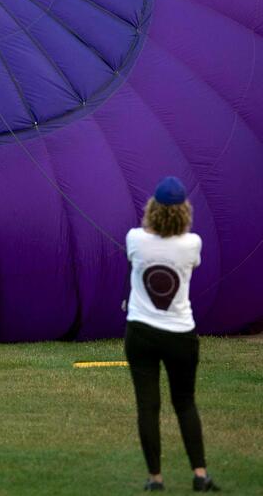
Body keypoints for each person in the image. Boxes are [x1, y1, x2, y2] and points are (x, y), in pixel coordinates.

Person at [124, 177, 219, 492]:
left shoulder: (135, 238)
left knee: (147, 406)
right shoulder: (192, 244)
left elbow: (139, 251)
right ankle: (200, 474)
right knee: (185, 403)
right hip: (180, 334)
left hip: (141, 333)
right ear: (184, 212)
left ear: (152, 209)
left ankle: (155, 479)